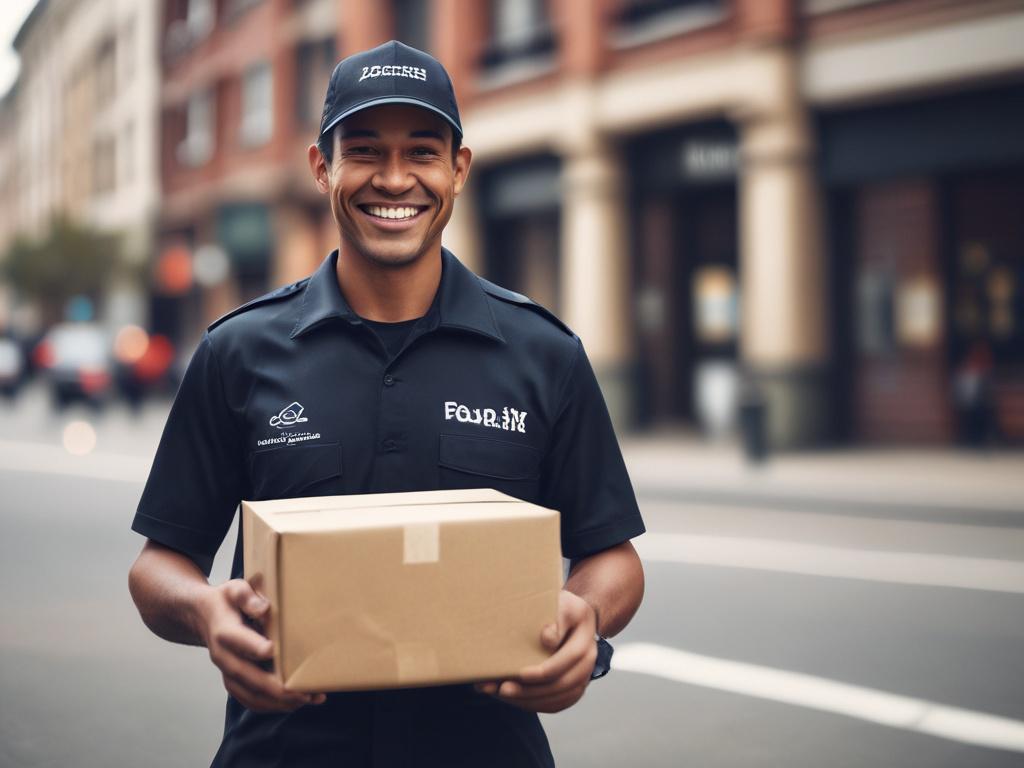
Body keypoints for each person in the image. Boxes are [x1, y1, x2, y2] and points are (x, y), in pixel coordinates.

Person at [129, 40, 645, 768]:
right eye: (365, 151)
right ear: (322, 167)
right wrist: (207, 613)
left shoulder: (543, 353)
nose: (395, 179)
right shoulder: (237, 353)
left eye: (423, 152)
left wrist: (585, 616)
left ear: (458, 170)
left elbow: (614, 556)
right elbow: (157, 567)